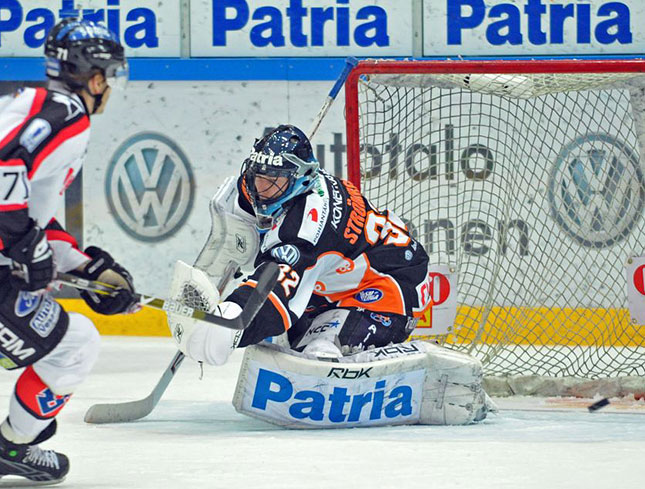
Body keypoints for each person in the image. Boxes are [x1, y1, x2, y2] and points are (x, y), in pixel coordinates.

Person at [0, 18, 137, 484]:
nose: (111, 87)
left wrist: (85, 266)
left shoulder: (36, 106)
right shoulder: (67, 114)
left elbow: (32, 215)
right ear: (95, 77)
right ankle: (11, 445)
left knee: (71, 339)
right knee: (74, 346)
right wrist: (22, 244)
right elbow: (3, 170)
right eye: (110, 77)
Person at [175, 124, 433, 366]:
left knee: (321, 355)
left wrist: (231, 323)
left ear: (301, 178)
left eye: (274, 181)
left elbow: (275, 289)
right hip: (331, 287)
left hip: (391, 286)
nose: (261, 189)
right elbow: (238, 216)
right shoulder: (264, 184)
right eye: (259, 177)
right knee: (286, 346)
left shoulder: (306, 227)